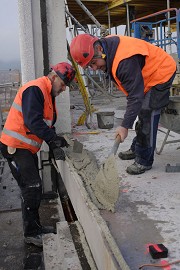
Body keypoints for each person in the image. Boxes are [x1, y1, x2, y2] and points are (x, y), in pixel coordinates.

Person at [70, 33, 176, 175]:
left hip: (161, 71)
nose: (94, 69)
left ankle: (144, 160)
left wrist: (125, 126)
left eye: (93, 63)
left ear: (100, 49)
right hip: (145, 75)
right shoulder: (108, 48)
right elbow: (134, 95)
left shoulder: (124, 61)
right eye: (89, 66)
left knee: (147, 112)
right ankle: (137, 148)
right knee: (139, 110)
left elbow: (135, 97)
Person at [0, 62, 75, 247]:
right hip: (15, 147)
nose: (64, 89)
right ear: (54, 76)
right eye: (63, 84)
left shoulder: (47, 94)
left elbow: (46, 124)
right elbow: (33, 121)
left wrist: (55, 141)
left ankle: (36, 227)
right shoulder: (35, 89)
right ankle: (31, 233)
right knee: (32, 187)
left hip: (25, 148)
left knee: (32, 187)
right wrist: (52, 139)